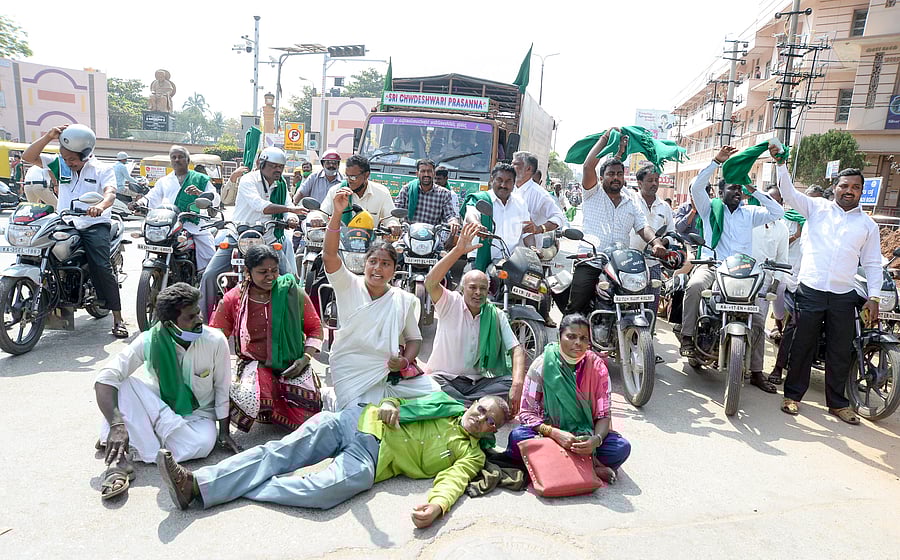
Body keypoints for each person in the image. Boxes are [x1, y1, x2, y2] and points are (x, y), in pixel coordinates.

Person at [157, 392, 509, 528]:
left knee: (323, 492)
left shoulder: (471, 454)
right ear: (473, 404)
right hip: (355, 419)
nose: (481, 418)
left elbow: (453, 482)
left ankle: (228, 484)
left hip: (371, 457)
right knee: (280, 453)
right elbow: (397, 398)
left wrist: (437, 507)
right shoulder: (444, 402)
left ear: (494, 430)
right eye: (481, 409)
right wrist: (389, 404)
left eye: (491, 421)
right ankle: (196, 484)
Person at [94, 283, 236, 500]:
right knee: (123, 384)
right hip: (161, 407)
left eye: (198, 313)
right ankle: (119, 456)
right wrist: (117, 425)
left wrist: (224, 432)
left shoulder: (215, 340)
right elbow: (105, 378)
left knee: (203, 444)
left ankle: (132, 441)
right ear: (170, 324)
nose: (199, 320)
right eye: (190, 317)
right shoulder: (150, 340)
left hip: (199, 416)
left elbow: (222, 388)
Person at [774, 148, 882, 424]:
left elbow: (871, 264)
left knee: (840, 350)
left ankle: (838, 403)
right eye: (845, 186)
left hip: (844, 295)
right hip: (811, 290)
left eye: (856, 187)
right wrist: (780, 163)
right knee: (803, 346)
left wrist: (874, 297)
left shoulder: (868, 225)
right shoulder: (816, 208)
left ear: (861, 192)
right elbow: (788, 193)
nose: (849, 191)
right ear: (835, 187)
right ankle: (793, 396)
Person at [323, 184, 438, 409]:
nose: (378, 269)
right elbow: (329, 255)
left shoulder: (402, 299)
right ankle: (333, 398)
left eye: (385, 264)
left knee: (435, 395)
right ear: (364, 264)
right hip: (351, 370)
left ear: (393, 270)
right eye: (373, 262)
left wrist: (404, 361)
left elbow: (414, 339)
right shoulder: (348, 285)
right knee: (361, 413)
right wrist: (337, 214)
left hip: (387, 372)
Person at [679, 145, 785, 387]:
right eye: (732, 187)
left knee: (757, 317)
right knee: (694, 286)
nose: (737, 192)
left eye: (739, 188)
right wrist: (716, 161)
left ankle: (757, 372)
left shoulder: (750, 213)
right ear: (720, 191)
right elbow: (696, 186)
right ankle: (687, 336)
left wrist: (752, 188)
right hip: (713, 266)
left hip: (744, 274)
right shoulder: (710, 210)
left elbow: (777, 211)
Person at [22, 124, 129, 338]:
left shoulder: (102, 169)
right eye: (65, 156)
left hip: (93, 224)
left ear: (86, 154)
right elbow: (28, 156)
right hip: (64, 221)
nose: (68, 162)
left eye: (72, 159)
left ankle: (118, 318)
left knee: (101, 265)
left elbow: (110, 193)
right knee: (38, 247)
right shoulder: (60, 164)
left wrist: (100, 207)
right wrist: (48, 136)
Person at [506, 314, 631, 484]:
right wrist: (555, 433)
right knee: (517, 437)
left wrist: (596, 440)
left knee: (621, 448)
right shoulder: (542, 365)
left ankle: (562, 465)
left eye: (583, 338)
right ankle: (590, 467)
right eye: (571, 336)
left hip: (584, 437)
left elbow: (603, 414)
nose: (578, 342)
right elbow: (527, 413)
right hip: (549, 435)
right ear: (559, 337)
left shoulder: (597, 367)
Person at [211, 245, 324, 432]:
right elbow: (215, 338)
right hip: (256, 365)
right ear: (248, 272)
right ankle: (267, 409)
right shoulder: (234, 299)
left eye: (274, 271)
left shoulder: (292, 292)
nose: (270, 276)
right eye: (263, 272)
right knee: (253, 394)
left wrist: (305, 359)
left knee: (308, 418)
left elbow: (315, 329)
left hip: (293, 363)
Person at [564, 129, 667, 316]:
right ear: (602, 177)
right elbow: (588, 166)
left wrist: (656, 242)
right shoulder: (592, 193)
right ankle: (567, 339)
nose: (616, 177)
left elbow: (643, 227)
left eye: (620, 174)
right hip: (592, 260)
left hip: (621, 264)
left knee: (637, 302)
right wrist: (605, 139)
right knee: (576, 309)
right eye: (611, 174)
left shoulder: (631, 200)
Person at [425, 222, 526, 409]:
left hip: (477, 384)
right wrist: (457, 250)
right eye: (472, 287)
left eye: (483, 288)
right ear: (463, 289)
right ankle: (477, 407)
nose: (478, 292)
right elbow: (430, 282)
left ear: (488, 292)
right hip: (443, 379)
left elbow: (517, 349)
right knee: (429, 385)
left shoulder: (495, 314)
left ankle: (461, 406)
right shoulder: (450, 303)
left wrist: (518, 384)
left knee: (508, 383)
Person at [199, 147, 304, 318]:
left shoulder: (281, 185)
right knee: (210, 275)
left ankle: (295, 322)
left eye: (281, 167)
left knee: (289, 278)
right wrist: (292, 209)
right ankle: (202, 320)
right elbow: (260, 206)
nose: (277, 170)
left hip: (267, 239)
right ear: (261, 164)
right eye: (273, 166)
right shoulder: (248, 180)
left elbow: (288, 206)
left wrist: (292, 217)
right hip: (239, 236)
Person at [132, 146, 220, 271]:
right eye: (173, 157)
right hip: (169, 223)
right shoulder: (164, 181)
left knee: (208, 254)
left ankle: (204, 278)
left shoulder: (200, 179)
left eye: (180, 157)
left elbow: (215, 199)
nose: (177, 160)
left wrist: (200, 193)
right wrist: (139, 203)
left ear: (187, 160)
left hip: (193, 223)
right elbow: (151, 197)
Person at [747, 188, 789, 393]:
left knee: (757, 324)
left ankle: (756, 372)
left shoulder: (782, 228)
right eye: (768, 198)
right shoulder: (747, 215)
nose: (772, 203)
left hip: (765, 281)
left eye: (777, 200)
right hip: (739, 276)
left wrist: (776, 282)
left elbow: (782, 259)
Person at [461, 163, 534, 270]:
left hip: (510, 262)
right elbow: (470, 215)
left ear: (514, 183)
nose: (503, 185)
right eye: (499, 180)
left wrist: (533, 248)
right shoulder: (480, 199)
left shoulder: (520, 204)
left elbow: (527, 232)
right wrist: (477, 224)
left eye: (508, 181)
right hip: (479, 260)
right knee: (471, 284)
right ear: (492, 180)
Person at [628, 164, 676, 324]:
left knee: (652, 300)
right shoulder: (629, 201)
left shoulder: (665, 207)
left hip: (653, 262)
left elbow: (672, 233)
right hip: (629, 262)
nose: (654, 184)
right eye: (650, 180)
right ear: (639, 183)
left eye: (656, 180)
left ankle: (649, 333)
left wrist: (663, 242)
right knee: (628, 300)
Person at [320, 154, 398, 231]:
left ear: (366, 175)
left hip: (371, 242)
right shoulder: (337, 191)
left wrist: (392, 224)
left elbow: (391, 218)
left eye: (353, 177)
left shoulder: (382, 193)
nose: (349, 180)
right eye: (347, 176)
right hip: (340, 241)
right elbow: (322, 213)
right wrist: (316, 218)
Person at [511, 151, 567, 250]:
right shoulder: (507, 189)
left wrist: (540, 229)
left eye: (515, 164)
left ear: (528, 169)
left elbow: (559, 217)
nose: (511, 167)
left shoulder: (540, 194)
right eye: (511, 163)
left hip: (527, 253)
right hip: (503, 250)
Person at [395, 158, 460, 237]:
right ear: (417, 173)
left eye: (429, 171)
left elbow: (449, 215)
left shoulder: (444, 193)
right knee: (396, 248)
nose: (426, 174)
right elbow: (397, 210)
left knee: (443, 249)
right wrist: (395, 223)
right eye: (423, 171)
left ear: (433, 173)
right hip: (408, 237)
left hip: (432, 239)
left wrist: (453, 221)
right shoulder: (407, 190)